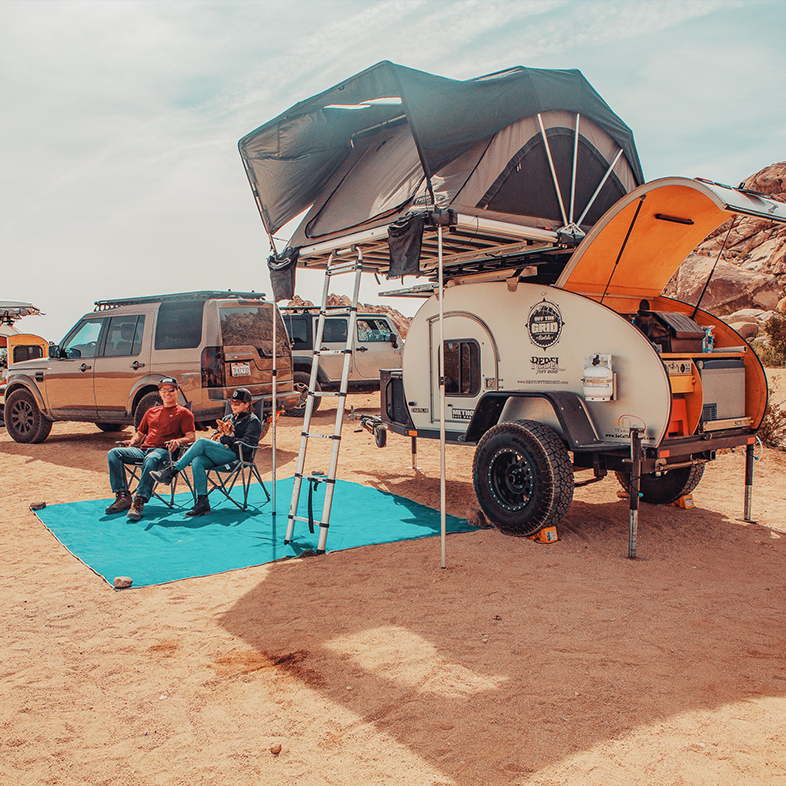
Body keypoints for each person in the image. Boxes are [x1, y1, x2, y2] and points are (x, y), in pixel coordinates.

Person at [150, 388, 263, 517]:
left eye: (237, 403)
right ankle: (203, 502)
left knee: (202, 442)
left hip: (237, 457)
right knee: (197, 460)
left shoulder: (252, 421)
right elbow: (215, 436)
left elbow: (249, 444)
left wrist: (226, 439)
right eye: (232, 403)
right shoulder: (228, 417)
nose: (233, 406)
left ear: (247, 404)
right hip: (220, 454)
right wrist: (216, 440)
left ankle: (171, 471)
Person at [105, 377, 196, 521]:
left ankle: (139, 501)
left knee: (151, 458)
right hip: (144, 450)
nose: (167, 393)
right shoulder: (151, 412)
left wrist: (178, 441)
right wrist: (132, 441)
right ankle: (123, 496)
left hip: (165, 452)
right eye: (164, 389)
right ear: (159, 393)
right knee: (114, 453)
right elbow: (140, 434)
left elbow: (191, 437)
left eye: (171, 389)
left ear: (177, 392)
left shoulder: (184, 413)